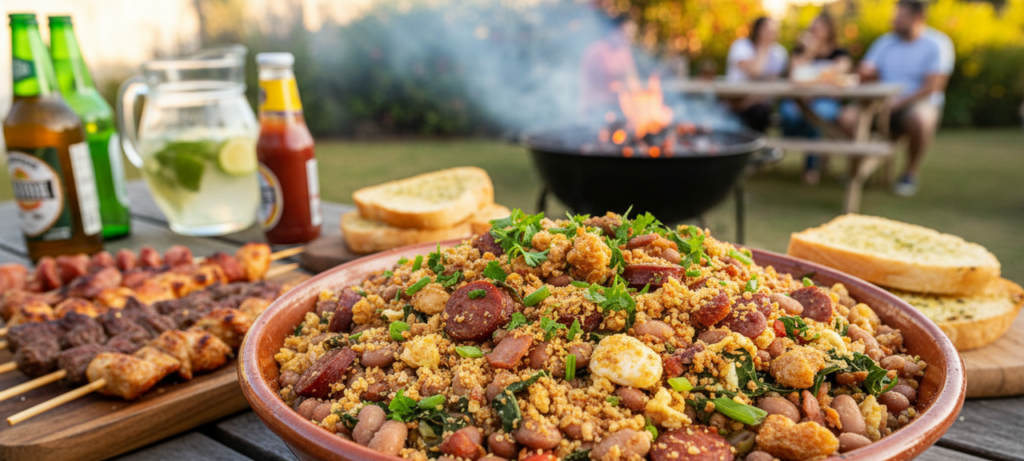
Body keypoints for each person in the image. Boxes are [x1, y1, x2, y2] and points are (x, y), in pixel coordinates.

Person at [839, 0, 953, 196]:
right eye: (895, 16)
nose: (894, 21)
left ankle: (910, 172)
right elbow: (868, 71)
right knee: (846, 117)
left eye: (900, 17)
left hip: (915, 102)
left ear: (917, 18)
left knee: (921, 119)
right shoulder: (885, 42)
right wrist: (865, 73)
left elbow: (933, 86)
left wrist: (898, 103)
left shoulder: (937, 43)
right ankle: (858, 168)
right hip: (880, 102)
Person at [780, 12, 852, 185]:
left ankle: (810, 167)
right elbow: (794, 76)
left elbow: (839, 73)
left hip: (825, 100)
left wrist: (811, 86)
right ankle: (809, 157)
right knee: (788, 114)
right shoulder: (800, 51)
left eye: (817, 29)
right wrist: (809, 52)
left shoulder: (839, 52)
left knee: (817, 115)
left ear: (829, 31)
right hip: (799, 100)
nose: (813, 32)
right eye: (811, 29)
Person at [725, 16, 788, 132]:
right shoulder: (740, 47)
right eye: (767, 30)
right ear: (757, 30)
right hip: (735, 100)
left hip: (758, 101)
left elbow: (772, 85)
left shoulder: (779, 53)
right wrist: (763, 48)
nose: (772, 34)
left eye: (774, 31)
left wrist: (748, 102)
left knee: (759, 113)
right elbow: (755, 71)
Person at [581, 15, 640, 117]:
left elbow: (632, 78)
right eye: (626, 33)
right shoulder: (597, 50)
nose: (629, 38)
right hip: (596, 109)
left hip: (618, 108)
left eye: (631, 34)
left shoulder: (624, 52)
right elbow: (607, 79)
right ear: (614, 31)